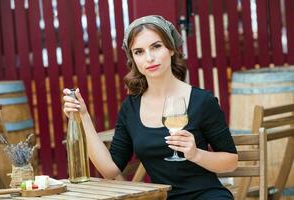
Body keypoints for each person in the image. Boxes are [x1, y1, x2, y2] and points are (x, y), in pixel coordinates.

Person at [63, 15, 238, 200]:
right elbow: (109, 169)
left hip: (206, 196)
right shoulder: (131, 108)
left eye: (156, 46)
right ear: (134, 59)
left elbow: (231, 161)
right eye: (139, 51)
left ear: (171, 49)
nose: (149, 58)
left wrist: (196, 154)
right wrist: (83, 116)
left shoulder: (202, 101)